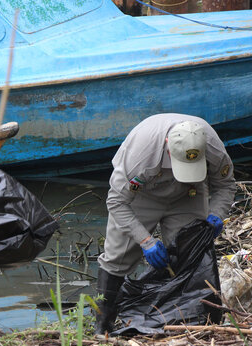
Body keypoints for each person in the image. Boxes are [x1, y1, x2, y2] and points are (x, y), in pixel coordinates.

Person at [95, 113, 236, 334]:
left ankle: (184, 321)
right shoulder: (140, 156)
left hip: (188, 192)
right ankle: (102, 327)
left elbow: (225, 184)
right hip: (142, 195)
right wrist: (146, 241)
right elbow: (116, 202)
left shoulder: (212, 146)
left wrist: (217, 213)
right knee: (117, 258)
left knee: (191, 254)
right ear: (168, 146)